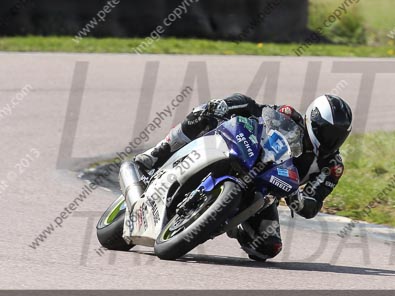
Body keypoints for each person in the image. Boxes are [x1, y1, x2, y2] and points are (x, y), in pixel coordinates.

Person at [135, 93, 352, 261]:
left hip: (265, 192)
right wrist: (225, 106)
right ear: (312, 120)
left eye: (339, 136)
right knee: (209, 113)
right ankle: (158, 153)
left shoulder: (332, 166)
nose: (332, 141)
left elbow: (312, 206)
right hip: (246, 155)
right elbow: (255, 109)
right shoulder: (289, 116)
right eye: (328, 133)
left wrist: (297, 198)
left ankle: (231, 220)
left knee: (267, 248)